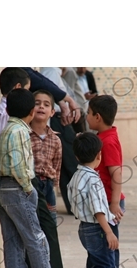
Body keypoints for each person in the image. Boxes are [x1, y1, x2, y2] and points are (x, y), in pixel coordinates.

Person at [0, 88, 69, 268]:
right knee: (37, 238)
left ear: (8, 109)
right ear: (30, 111)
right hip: (17, 189)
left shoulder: (8, 128)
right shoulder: (20, 132)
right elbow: (19, 165)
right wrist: (28, 188)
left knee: (13, 241)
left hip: (3, 188)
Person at [66, 132, 119, 268]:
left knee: (96, 266)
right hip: (96, 229)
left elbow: (78, 205)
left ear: (77, 156)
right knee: (106, 266)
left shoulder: (76, 177)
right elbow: (97, 210)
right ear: (99, 155)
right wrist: (109, 232)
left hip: (84, 227)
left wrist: (111, 216)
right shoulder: (93, 179)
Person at [86, 95, 125, 268]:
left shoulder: (107, 141)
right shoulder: (103, 137)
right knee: (108, 246)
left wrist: (114, 203)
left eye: (88, 113)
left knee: (107, 247)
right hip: (106, 202)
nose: (86, 117)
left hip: (109, 203)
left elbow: (116, 173)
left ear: (98, 117)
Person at [40, 67, 81, 215]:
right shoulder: (51, 70)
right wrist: (64, 107)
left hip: (59, 119)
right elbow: (50, 97)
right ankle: (77, 205)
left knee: (67, 164)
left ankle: (74, 205)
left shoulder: (56, 72)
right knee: (71, 162)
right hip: (57, 120)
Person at [30, 90, 62, 223]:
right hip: (30, 184)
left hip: (48, 186)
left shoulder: (55, 140)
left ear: (52, 112)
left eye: (46, 104)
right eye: (37, 103)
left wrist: (55, 185)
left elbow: (57, 165)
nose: (41, 106)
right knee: (32, 220)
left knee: (50, 222)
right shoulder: (24, 134)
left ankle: (49, 244)